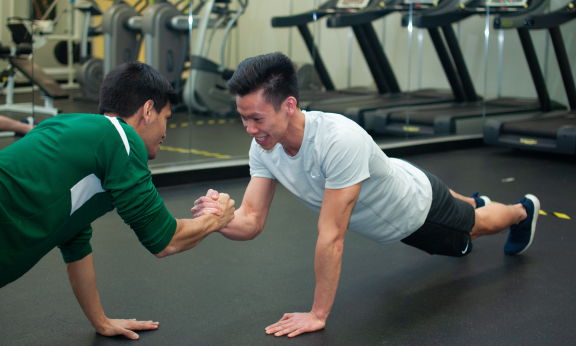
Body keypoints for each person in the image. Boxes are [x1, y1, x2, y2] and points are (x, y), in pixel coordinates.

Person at [192, 52, 540, 338]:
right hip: (397, 180)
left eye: (256, 118)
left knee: (473, 229)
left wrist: (317, 314)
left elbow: (332, 236)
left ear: (289, 105)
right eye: (242, 118)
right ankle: (474, 201)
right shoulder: (264, 147)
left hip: (415, 210)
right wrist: (218, 220)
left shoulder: (337, 141)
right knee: (456, 211)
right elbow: (251, 219)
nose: (250, 129)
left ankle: (522, 211)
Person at [0, 62, 235, 340]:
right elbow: (165, 240)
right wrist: (216, 218)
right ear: (147, 111)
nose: (166, 132)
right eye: (167, 118)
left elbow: (75, 242)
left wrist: (100, 321)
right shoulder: (121, 140)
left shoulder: (72, 130)